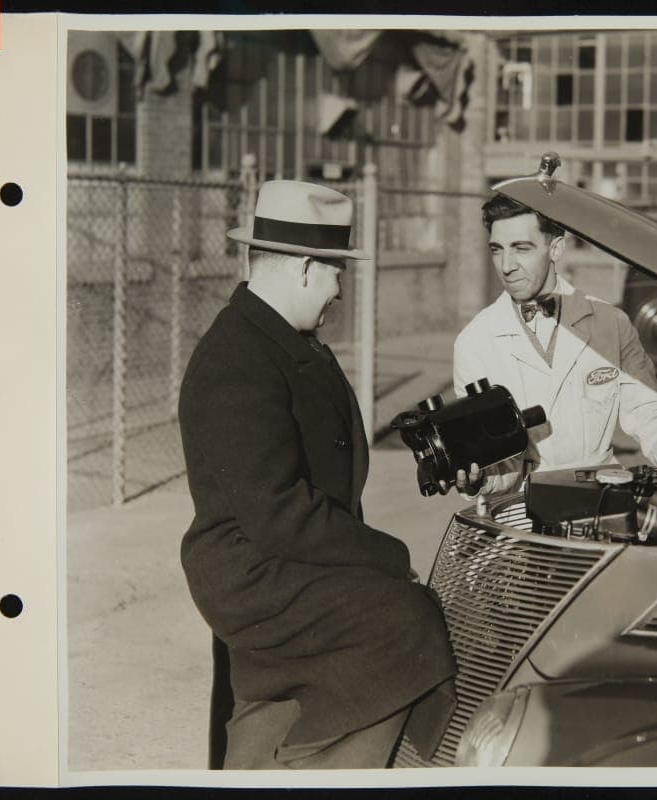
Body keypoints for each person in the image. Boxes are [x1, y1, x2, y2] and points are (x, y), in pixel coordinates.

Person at [178, 180, 455, 770]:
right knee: (408, 622)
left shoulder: (277, 340)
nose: (338, 291)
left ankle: (281, 757)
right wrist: (387, 556)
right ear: (305, 267)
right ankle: (319, 771)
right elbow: (277, 515)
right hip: (255, 571)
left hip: (280, 555)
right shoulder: (238, 360)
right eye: (337, 274)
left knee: (389, 619)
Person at [453, 193, 657, 496]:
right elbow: (496, 463)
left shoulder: (611, 323)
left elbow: (650, 412)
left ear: (556, 248)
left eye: (521, 249)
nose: (506, 266)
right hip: (522, 514)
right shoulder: (474, 343)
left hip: (603, 501)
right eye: (497, 250)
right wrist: (479, 478)